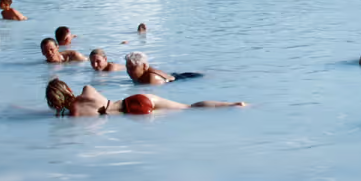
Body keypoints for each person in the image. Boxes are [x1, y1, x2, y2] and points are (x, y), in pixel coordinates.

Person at [45, 78, 243, 117]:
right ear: (67, 88)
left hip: (131, 114)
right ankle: (231, 104)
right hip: (133, 100)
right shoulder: (87, 90)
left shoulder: (74, 114)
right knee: (189, 107)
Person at [125, 52, 203, 85]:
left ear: (144, 66)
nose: (129, 71)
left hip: (183, 78)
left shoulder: (151, 79)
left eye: (132, 68)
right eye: (127, 68)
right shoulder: (141, 75)